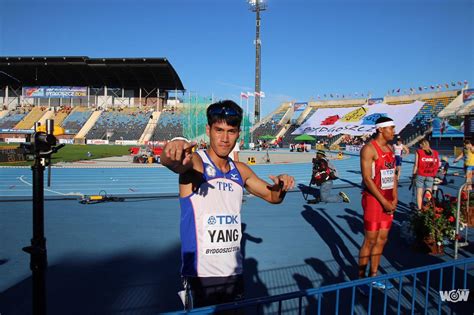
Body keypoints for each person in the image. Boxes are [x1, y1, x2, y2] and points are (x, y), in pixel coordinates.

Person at [160, 100, 295, 309]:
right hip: (201, 275)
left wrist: (281, 185)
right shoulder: (197, 163)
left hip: (234, 272)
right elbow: (175, 162)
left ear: (238, 133)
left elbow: (272, 197)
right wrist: (173, 147)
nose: (224, 138)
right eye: (219, 130)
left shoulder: (240, 170)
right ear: (208, 130)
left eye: (231, 131)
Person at [358, 116, 397, 292]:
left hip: (388, 200)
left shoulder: (389, 148)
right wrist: (383, 201)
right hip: (374, 200)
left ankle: (373, 276)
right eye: (391, 128)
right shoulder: (368, 149)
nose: (394, 132)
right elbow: (367, 178)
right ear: (381, 129)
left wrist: (394, 197)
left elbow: (393, 175)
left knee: (382, 239)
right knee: (370, 240)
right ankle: (360, 281)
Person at [412, 139, 440, 210]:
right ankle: (428, 206)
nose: (419, 146)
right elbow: (437, 164)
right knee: (428, 191)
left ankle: (419, 209)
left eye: (420, 145)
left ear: (421, 145)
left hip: (421, 174)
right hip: (430, 174)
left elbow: (416, 165)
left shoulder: (419, 152)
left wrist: (413, 174)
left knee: (419, 192)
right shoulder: (435, 153)